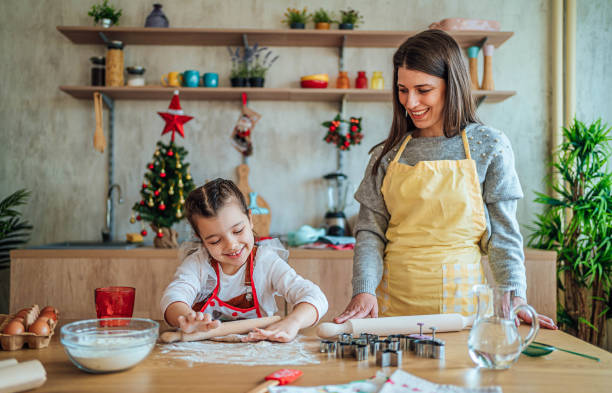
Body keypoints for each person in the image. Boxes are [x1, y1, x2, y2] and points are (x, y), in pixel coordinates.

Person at [334, 29, 556, 330]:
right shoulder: (385, 156)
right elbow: (370, 233)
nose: (410, 102)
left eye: (423, 90)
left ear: (452, 85)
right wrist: (363, 290)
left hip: (463, 312)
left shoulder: (489, 146)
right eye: (402, 89)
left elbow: (503, 234)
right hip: (393, 312)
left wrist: (515, 296)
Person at [161, 178, 328, 342]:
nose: (232, 245)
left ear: (250, 219)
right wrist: (187, 319)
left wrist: (293, 322)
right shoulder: (198, 265)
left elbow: (315, 296)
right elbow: (173, 297)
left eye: (238, 230)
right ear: (201, 239)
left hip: (258, 350)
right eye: (215, 241)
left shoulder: (265, 263)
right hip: (205, 354)